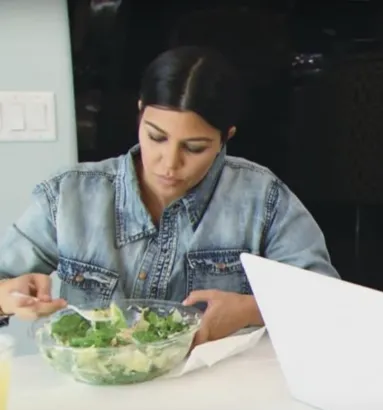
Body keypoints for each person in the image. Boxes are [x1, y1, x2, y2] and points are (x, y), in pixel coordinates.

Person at [0, 46, 339, 345]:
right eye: (156, 137)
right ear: (140, 113)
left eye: (194, 148)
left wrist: (252, 309)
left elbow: (327, 300)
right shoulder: (68, 195)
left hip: (217, 384)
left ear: (225, 137)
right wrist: (7, 297)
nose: (170, 163)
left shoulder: (262, 198)